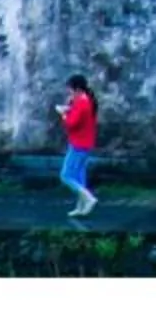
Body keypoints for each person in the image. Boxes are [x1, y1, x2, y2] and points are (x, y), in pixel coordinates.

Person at [55, 74, 99, 218]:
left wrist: (63, 114)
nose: (69, 92)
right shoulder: (87, 99)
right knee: (79, 176)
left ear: (77, 88)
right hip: (86, 143)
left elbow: (71, 124)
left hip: (79, 143)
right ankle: (80, 207)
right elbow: (80, 116)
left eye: (71, 89)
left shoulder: (81, 102)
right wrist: (69, 108)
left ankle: (89, 198)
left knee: (66, 175)